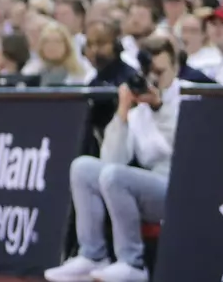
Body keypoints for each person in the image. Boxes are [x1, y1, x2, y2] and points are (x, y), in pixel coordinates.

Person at [46, 34, 180, 282]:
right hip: (148, 183)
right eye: (150, 72)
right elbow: (112, 158)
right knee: (83, 167)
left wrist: (159, 107)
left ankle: (133, 262)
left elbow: (179, 149)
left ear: (175, 68)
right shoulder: (139, 109)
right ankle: (93, 254)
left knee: (115, 176)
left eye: (161, 72)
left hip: (179, 187)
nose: (155, 79)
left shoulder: (186, 97)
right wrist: (122, 114)